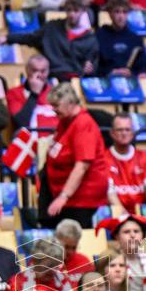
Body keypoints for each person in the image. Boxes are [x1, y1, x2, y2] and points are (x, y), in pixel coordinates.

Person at [41, 82, 110, 226]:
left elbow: (82, 166)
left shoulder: (83, 124)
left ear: (70, 103)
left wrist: (64, 196)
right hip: (64, 195)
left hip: (81, 199)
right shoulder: (65, 121)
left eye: (56, 105)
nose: (53, 110)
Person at [2, 0, 98, 80]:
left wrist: (89, 68)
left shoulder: (90, 39)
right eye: (69, 10)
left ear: (84, 11)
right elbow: (31, 38)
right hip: (52, 77)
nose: (71, 14)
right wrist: (8, 38)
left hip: (76, 79)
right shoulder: (51, 27)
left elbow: (91, 64)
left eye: (76, 11)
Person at [105, 112, 146, 214]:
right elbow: (110, 194)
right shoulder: (104, 158)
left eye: (127, 129)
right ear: (112, 133)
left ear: (132, 133)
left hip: (142, 213)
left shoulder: (143, 156)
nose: (124, 133)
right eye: (120, 130)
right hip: (116, 214)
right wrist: (125, 216)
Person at [96, 0, 146, 77]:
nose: (121, 16)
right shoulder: (99, 36)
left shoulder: (135, 38)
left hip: (131, 81)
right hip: (107, 81)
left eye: (124, 12)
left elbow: (143, 66)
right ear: (109, 13)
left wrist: (140, 74)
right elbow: (95, 67)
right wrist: (112, 72)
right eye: (117, 12)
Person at [6, 54, 58, 138]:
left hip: (55, 139)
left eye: (43, 71)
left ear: (48, 71)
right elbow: (21, 122)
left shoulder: (56, 92)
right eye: (34, 71)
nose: (39, 75)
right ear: (27, 70)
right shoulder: (14, 93)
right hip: (28, 141)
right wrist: (34, 94)